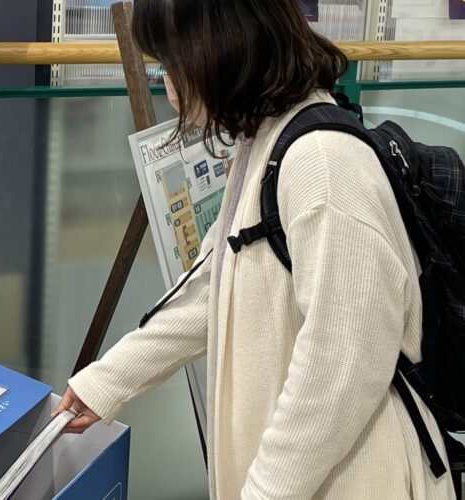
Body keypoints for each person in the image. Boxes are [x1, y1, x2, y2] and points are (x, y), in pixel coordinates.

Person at [53, 1, 456, 498]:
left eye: (171, 62)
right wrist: (105, 383)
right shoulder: (268, 137)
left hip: (358, 477)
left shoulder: (323, 163)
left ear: (219, 50)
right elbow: (215, 284)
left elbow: (343, 366)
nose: (168, 85)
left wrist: (265, 491)